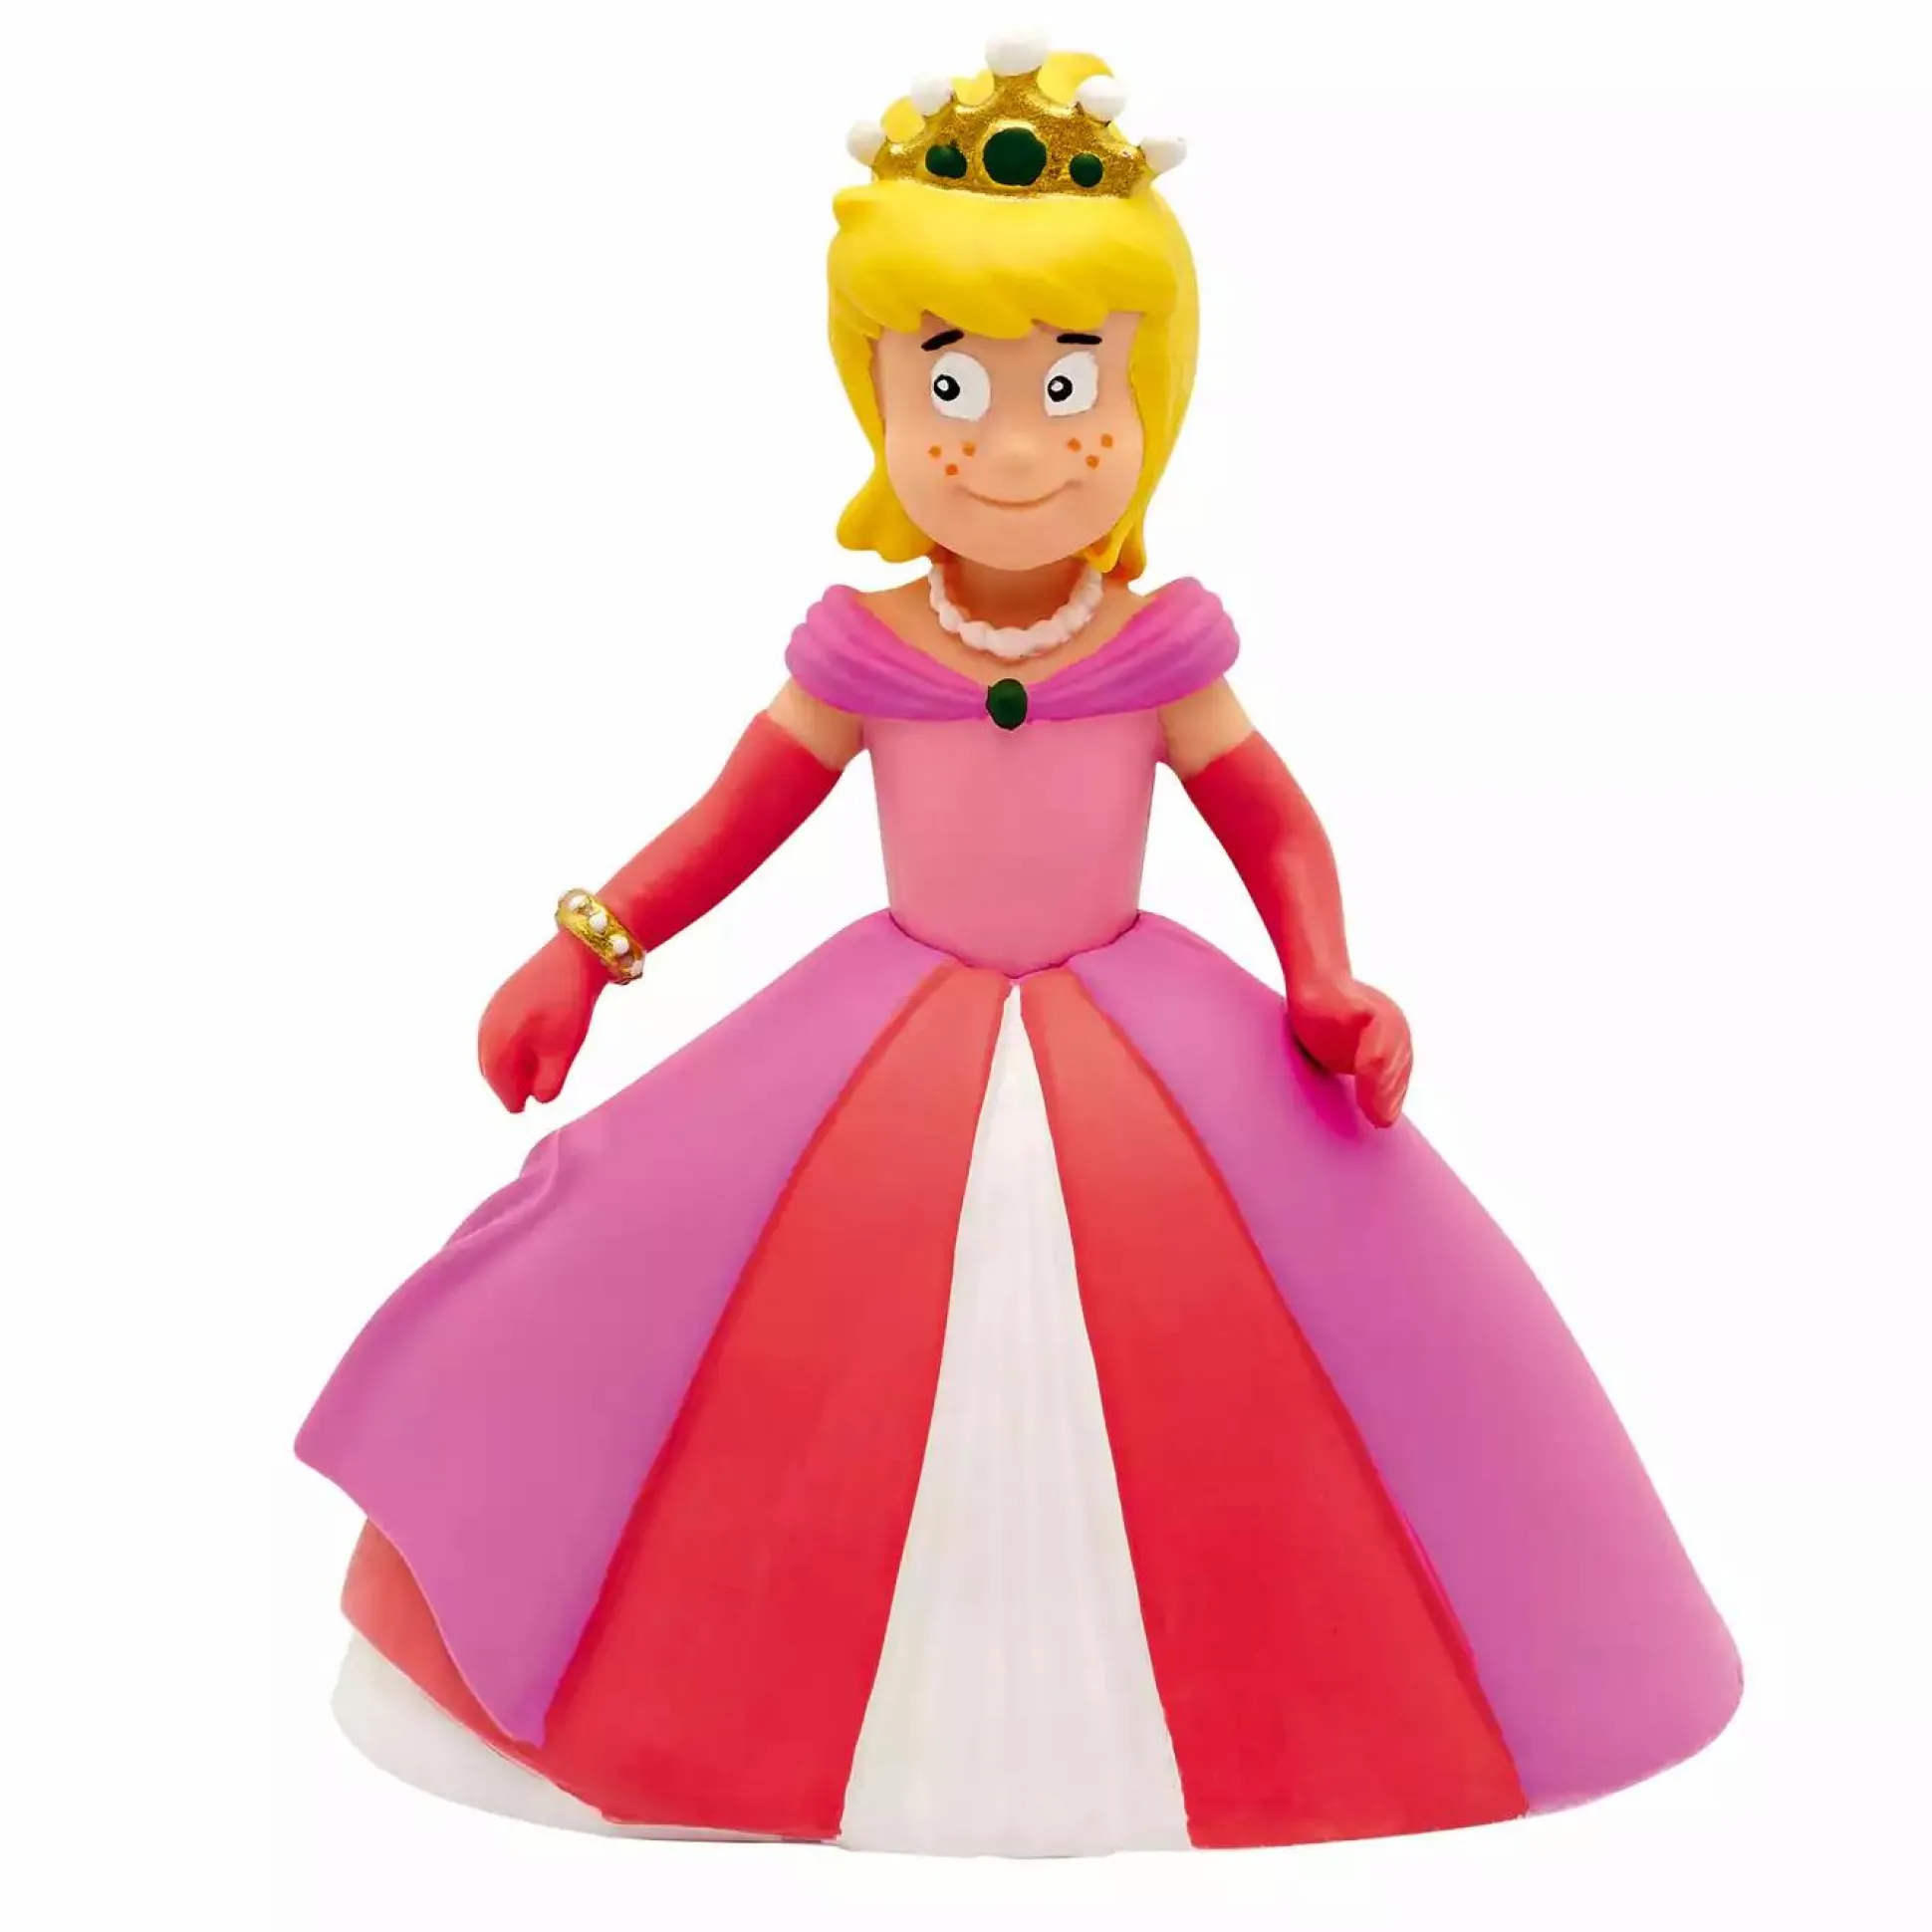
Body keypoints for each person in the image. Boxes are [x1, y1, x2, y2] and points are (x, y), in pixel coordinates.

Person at [297, 38, 1740, 1855]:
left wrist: (1323, 973)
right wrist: (583, 947)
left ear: (1145, 396)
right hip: (874, 1060)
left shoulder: (1158, 649)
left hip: (1157, 1070)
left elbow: (1271, 818)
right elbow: (732, 822)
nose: (1011, 445)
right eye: (952, 386)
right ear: (880, 401)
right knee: (689, 1298)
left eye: (1066, 384)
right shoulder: (865, 653)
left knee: (1285, 1354)